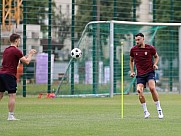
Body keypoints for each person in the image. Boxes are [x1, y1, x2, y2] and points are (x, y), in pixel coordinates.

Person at [0, 33, 36, 121]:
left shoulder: (6, 50)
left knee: (0, 95)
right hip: (9, 75)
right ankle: (10, 116)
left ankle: (11, 115)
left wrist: (27, 55)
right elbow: (27, 61)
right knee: (12, 95)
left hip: (1, 74)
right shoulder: (16, 50)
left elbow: (21, 59)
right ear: (16, 40)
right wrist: (31, 54)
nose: (19, 42)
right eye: (19, 40)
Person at [129, 33, 164, 119]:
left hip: (149, 72)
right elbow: (131, 61)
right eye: (136, 40)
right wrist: (132, 71)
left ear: (143, 39)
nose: (137, 41)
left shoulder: (150, 48)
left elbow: (156, 57)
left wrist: (155, 64)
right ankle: (146, 111)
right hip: (140, 74)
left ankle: (159, 109)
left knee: (152, 88)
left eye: (138, 39)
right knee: (139, 91)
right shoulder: (133, 50)